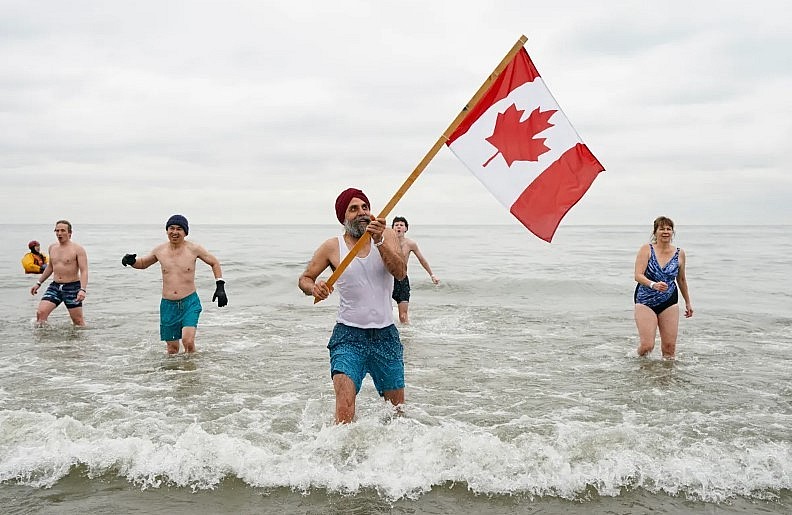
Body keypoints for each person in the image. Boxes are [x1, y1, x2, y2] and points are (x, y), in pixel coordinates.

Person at [298, 188, 407, 424]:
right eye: (353, 209)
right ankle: (339, 457)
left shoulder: (386, 235)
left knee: (396, 415)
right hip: (348, 336)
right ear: (343, 217)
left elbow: (400, 273)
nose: (362, 213)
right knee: (344, 411)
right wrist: (314, 287)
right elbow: (304, 279)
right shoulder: (332, 246)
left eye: (365, 207)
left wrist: (379, 242)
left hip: (386, 335)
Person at [121, 214, 228, 355]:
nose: (175, 232)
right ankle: (175, 375)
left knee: (188, 342)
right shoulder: (159, 250)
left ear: (185, 232)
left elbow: (214, 262)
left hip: (189, 302)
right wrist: (131, 261)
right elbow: (143, 263)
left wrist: (220, 286)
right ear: (167, 230)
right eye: (171, 228)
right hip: (168, 305)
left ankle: (192, 372)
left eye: (179, 229)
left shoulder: (194, 249)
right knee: (172, 350)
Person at [633, 216, 693, 359]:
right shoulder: (646, 249)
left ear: (672, 232)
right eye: (662, 229)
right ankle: (635, 360)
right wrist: (653, 285)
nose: (665, 231)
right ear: (655, 232)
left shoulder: (680, 253)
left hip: (669, 300)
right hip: (645, 300)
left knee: (669, 349)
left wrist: (688, 302)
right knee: (647, 346)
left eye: (669, 229)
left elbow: (682, 279)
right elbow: (638, 275)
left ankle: (666, 378)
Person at [30, 220, 89, 326]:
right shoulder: (52, 247)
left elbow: (84, 271)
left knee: (78, 321)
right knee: (41, 313)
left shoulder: (78, 249)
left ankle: (80, 342)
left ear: (70, 233)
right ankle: (43, 341)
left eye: (62, 230)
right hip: (55, 286)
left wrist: (82, 289)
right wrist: (38, 283)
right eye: (57, 231)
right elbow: (50, 267)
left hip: (72, 287)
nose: (59, 233)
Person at [390, 216, 439, 324]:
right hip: (387, 279)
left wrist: (432, 275)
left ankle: (406, 337)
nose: (399, 227)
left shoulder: (410, 244)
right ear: (392, 228)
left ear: (406, 229)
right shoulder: (387, 243)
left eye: (401, 225)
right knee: (384, 313)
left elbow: (422, 259)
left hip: (402, 280)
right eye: (396, 225)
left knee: (403, 316)